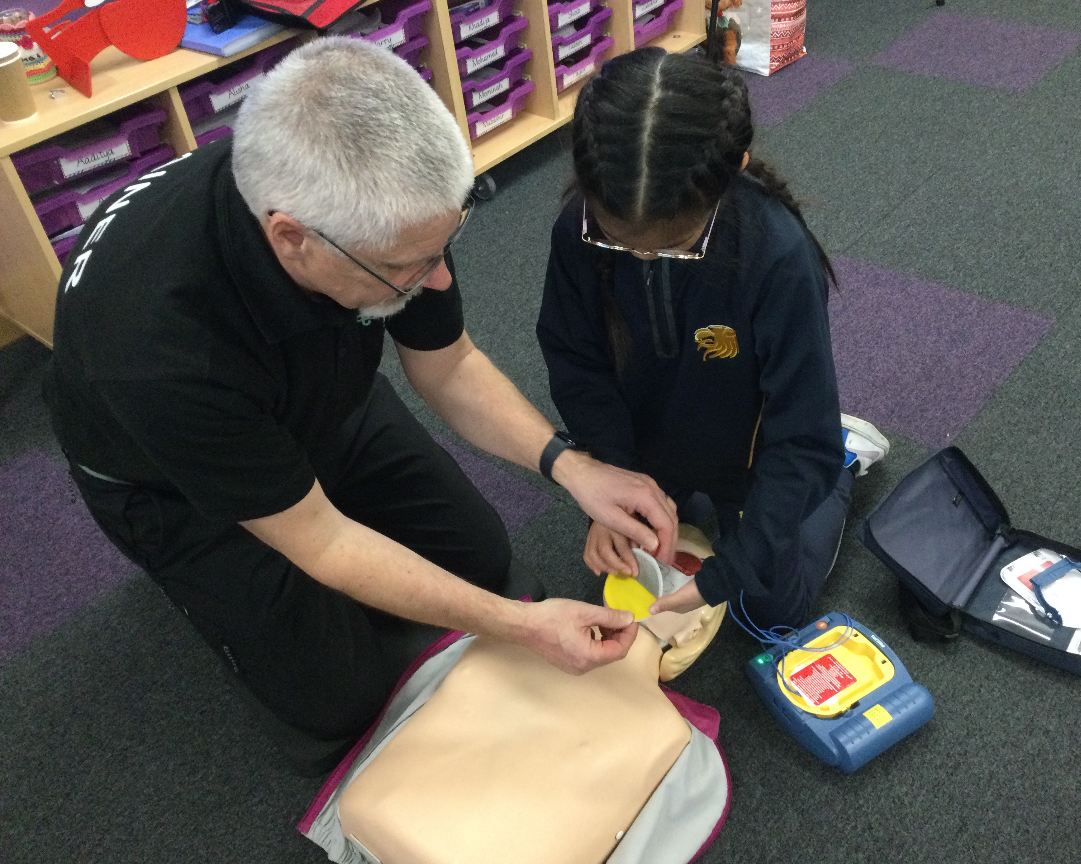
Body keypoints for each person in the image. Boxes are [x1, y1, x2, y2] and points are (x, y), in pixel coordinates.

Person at [43, 38, 679, 763]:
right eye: (411, 268)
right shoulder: (157, 346)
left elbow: (450, 363)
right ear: (292, 240)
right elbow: (325, 540)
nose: (438, 281)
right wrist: (518, 626)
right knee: (337, 703)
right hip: (178, 484)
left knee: (480, 553)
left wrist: (572, 467)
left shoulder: (379, 205)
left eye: (446, 245)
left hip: (321, 394)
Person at [536, 47, 889, 631]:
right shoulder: (578, 229)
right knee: (623, 577)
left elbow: (801, 439)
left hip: (754, 453)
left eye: (672, 247)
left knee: (769, 609)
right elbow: (576, 362)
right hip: (645, 444)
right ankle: (678, 492)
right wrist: (609, 475)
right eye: (620, 243)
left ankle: (846, 466)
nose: (645, 257)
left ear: (735, 170)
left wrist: (737, 564)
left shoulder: (776, 256)